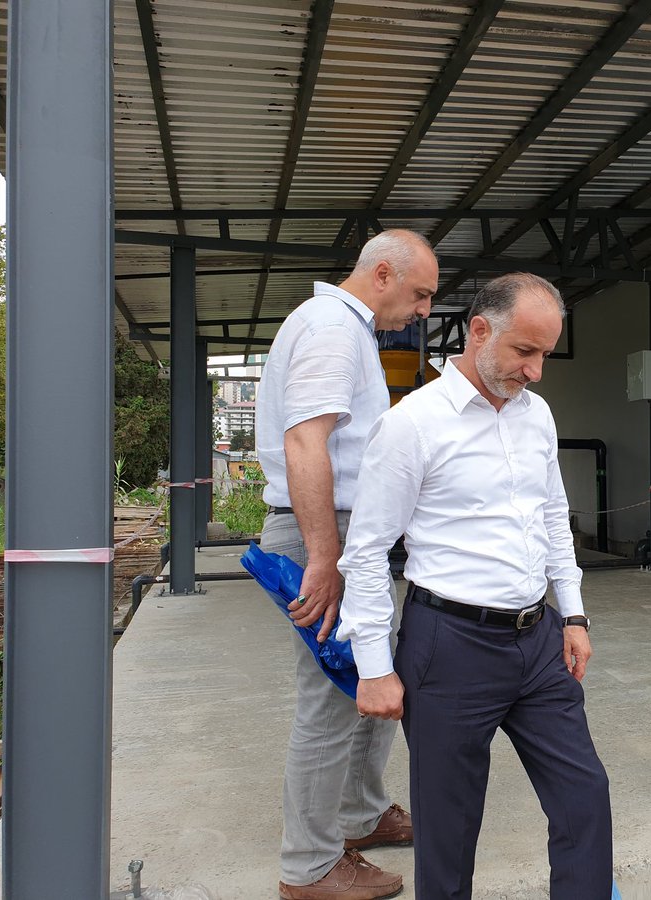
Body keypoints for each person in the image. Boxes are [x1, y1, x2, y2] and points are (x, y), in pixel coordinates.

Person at [336, 272, 613, 899]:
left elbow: (552, 516)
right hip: (449, 646)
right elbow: (369, 551)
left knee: (584, 795)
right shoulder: (412, 424)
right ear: (480, 331)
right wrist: (374, 666)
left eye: (545, 354)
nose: (536, 371)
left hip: (538, 640)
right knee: (450, 827)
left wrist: (573, 614)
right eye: (525, 351)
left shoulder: (537, 414)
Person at [256, 229, 438, 899]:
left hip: (343, 533)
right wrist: (325, 555)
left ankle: (361, 814)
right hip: (324, 533)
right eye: (421, 293)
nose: (424, 309)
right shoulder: (333, 328)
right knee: (330, 701)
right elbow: (307, 442)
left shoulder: (347, 329)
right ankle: (309, 867)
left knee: (367, 676)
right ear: (382, 274)